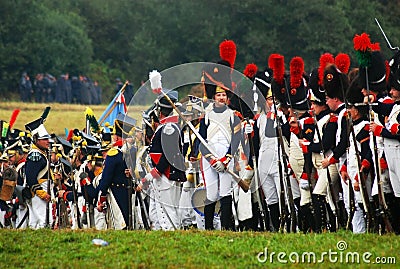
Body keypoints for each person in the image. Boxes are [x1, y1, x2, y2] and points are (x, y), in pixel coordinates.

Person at [196, 61, 242, 231]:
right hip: (210, 159)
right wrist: (212, 159)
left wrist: (226, 159)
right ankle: (208, 228)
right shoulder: (206, 116)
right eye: (218, 95)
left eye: (223, 95)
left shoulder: (233, 116)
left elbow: (236, 140)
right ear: (213, 97)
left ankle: (226, 227)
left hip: (226, 159)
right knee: (211, 194)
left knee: (225, 193)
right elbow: (201, 142)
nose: (221, 98)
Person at [140, 90, 186, 231]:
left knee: (168, 210)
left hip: (167, 174)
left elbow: (169, 154)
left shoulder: (169, 127)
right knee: (166, 209)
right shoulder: (168, 126)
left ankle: (170, 234)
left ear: (160, 111)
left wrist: (156, 172)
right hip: (165, 173)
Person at [96, 113, 136, 230]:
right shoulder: (132, 150)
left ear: (117, 137)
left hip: (116, 192)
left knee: (119, 224)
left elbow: (106, 178)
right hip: (129, 191)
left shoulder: (113, 154)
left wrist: (102, 194)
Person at [24, 117, 53, 229]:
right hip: (38, 193)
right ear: (36, 140)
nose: (48, 142)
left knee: (39, 222)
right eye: (44, 139)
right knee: (43, 221)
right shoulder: (35, 156)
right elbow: (31, 177)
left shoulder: (41, 154)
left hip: (42, 191)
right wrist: (41, 193)